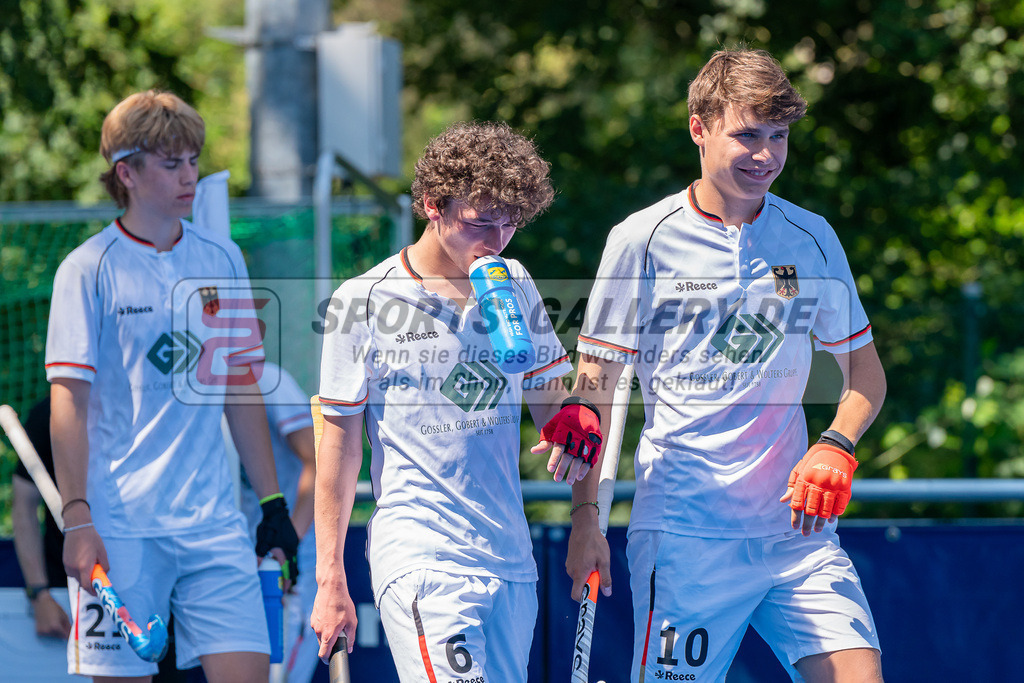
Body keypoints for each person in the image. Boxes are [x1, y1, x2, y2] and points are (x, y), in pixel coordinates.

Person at [538, 49, 886, 682]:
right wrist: (586, 518)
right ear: (699, 127)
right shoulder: (641, 238)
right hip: (684, 538)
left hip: (797, 536)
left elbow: (866, 373)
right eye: (747, 135)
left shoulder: (811, 237)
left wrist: (838, 442)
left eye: (779, 137)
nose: (767, 155)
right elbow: (598, 390)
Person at [45, 89, 299, 682]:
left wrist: (271, 504)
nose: (189, 177)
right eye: (171, 163)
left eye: (193, 161)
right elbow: (69, 405)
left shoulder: (223, 257)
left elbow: (239, 384)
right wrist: (78, 519)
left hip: (216, 525)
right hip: (119, 529)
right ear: (125, 173)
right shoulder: (86, 268)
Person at [311, 121, 579, 682]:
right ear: (432, 205)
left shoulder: (519, 283)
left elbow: (555, 410)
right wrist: (329, 577)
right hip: (419, 552)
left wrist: (579, 414)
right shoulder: (360, 300)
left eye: (511, 221)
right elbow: (336, 449)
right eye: (481, 220)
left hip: (509, 555)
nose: (497, 238)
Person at [11, 397, 187, 681]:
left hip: (163, 586)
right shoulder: (50, 413)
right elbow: (23, 506)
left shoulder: (161, 409)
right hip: (73, 590)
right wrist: (39, 592)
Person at [238, 361, 318, 683]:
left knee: (282, 676)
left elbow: (318, 459)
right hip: (238, 555)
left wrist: (288, 545)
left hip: (287, 556)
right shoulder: (198, 383)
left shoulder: (268, 380)